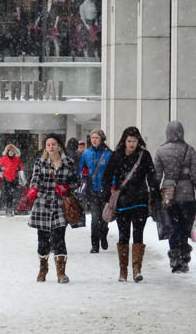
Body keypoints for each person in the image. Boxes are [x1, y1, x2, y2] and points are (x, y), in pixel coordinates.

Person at [102, 126, 159, 282]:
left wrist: (154, 195)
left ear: (138, 141)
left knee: (138, 234)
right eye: (129, 141)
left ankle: (136, 269)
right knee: (124, 234)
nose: (132, 144)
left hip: (140, 200)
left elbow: (152, 176)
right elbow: (107, 176)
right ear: (124, 141)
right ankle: (123, 271)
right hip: (123, 201)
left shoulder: (144, 155)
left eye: (134, 141)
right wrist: (107, 195)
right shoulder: (117, 155)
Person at [26, 133, 77, 283]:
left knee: (59, 238)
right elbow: (34, 179)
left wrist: (67, 187)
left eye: (53, 144)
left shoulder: (68, 162)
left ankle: (61, 273)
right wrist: (33, 188)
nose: (51, 147)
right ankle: (43, 268)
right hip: (43, 204)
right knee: (42, 240)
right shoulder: (40, 162)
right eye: (48, 145)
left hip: (60, 204)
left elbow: (77, 181)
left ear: (59, 145)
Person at [153, 120, 196, 274]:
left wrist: (154, 194)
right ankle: (184, 259)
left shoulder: (160, 151)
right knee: (185, 228)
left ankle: (175, 258)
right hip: (187, 196)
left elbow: (156, 177)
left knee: (172, 227)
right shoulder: (189, 150)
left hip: (168, 194)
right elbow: (195, 175)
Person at [79, 129, 112, 253]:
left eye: (96, 137)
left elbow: (113, 172)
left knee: (104, 218)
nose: (94, 140)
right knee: (94, 218)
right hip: (92, 190)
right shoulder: (86, 154)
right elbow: (80, 170)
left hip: (105, 190)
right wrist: (83, 174)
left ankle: (103, 234)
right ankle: (94, 245)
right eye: (92, 137)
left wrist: (112, 186)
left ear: (102, 139)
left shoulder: (109, 154)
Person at [0, 142, 24, 215]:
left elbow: (21, 166)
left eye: (12, 151)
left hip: (15, 179)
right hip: (6, 179)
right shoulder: (3, 159)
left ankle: (13, 209)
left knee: (14, 194)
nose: (11, 153)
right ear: (7, 152)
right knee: (9, 195)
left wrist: (20, 169)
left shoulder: (17, 159)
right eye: (10, 151)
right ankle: (9, 210)